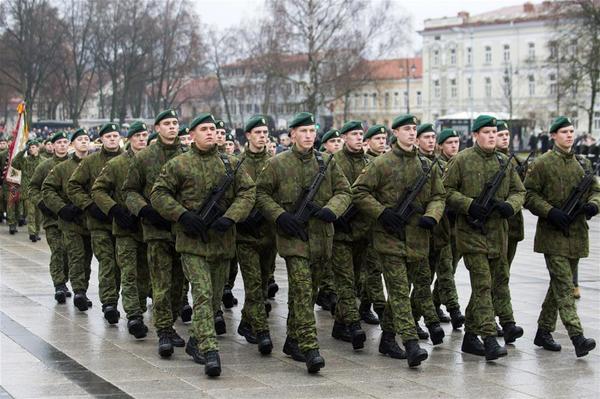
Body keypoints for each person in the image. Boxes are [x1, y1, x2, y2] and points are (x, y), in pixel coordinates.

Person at [151, 112, 255, 377]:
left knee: (214, 298)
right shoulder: (179, 164)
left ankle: (196, 340)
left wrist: (230, 217)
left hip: (222, 242)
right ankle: (210, 350)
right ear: (192, 134)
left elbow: (248, 192)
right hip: (192, 243)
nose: (210, 133)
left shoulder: (231, 164)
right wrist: (182, 215)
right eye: (204, 129)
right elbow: (159, 194)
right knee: (202, 293)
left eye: (212, 128)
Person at [256, 112, 351, 374]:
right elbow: (261, 193)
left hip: (321, 238)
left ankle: (292, 339)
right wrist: (280, 215)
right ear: (292, 135)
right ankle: (310, 347)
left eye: (312, 131)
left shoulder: (327, 162)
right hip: (293, 238)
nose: (309, 136)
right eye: (303, 131)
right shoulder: (277, 163)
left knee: (307, 293)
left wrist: (332, 209)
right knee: (301, 288)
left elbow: (345, 191)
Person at [353, 114, 444, 368]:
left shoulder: (426, 165)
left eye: (415, 129)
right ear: (396, 132)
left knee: (416, 287)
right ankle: (411, 343)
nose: (412, 133)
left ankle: (388, 337)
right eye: (407, 129)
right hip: (389, 238)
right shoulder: (381, 164)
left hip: (418, 237)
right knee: (399, 289)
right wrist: (382, 212)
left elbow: (439, 195)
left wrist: (432, 216)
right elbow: (359, 191)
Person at [444, 115, 525, 361]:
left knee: (489, 286)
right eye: (486, 132)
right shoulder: (461, 160)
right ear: (475, 135)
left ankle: (470, 337)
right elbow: (445, 191)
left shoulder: (504, 162)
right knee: (482, 284)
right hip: (471, 234)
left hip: (497, 234)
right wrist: (469, 205)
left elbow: (519, 191)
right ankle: (490, 338)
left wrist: (509, 206)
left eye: (494, 132)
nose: (492, 136)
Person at [524, 116, 599, 357]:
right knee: (565, 286)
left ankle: (543, 331)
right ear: (553, 136)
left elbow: (595, 189)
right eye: (564, 132)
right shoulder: (542, 163)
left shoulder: (583, 164)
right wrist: (550, 211)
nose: (569, 135)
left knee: (558, 284)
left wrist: (593, 205)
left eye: (571, 131)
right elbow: (528, 194)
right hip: (552, 234)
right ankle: (577, 336)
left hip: (576, 234)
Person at [123, 109, 186, 358]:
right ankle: (163, 330)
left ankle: (170, 322)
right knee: (161, 282)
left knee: (179, 285)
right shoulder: (145, 157)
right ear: (157, 128)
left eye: (175, 123)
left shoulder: (186, 155)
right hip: (156, 230)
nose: (172, 127)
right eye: (167, 124)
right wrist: (145, 211)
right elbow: (130, 190)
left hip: (183, 230)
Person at [91, 121, 151, 339]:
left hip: (149, 227)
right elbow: (98, 190)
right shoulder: (117, 164)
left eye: (145, 135)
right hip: (125, 227)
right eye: (137, 136)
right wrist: (114, 209)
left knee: (145, 273)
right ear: (130, 139)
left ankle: (140, 308)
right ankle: (134, 315)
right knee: (128, 271)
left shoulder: (154, 161)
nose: (142, 139)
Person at [68, 123, 123, 325]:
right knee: (107, 261)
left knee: (121, 264)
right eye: (108, 136)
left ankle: (118, 300)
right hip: (99, 222)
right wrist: (89, 206)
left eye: (115, 135)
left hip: (123, 221)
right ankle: (109, 303)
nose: (112, 139)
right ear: (100, 140)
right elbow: (73, 186)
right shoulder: (91, 162)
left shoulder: (129, 159)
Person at [414, 123, 464, 335]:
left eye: (433, 137)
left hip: (444, 229)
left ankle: (442, 308)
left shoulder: (445, 165)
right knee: (424, 278)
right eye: (427, 137)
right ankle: (423, 316)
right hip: (422, 229)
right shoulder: (419, 164)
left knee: (445, 271)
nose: (430, 141)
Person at [234, 115, 277, 355]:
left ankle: (245, 322)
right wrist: (242, 217)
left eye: (265, 132)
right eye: (258, 132)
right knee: (252, 284)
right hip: (246, 235)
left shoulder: (276, 162)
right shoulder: (237, 163)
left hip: (269, 235)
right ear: (248, 135)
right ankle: (262, 331)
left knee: (263, 283)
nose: (262, 136)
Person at [329, 120, 370, 352]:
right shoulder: (334, 162)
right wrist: (336, 213)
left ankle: (339, 324)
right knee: (345, 280)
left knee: (358, 280)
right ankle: (354, 324)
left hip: (363, 232)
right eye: (353, 134)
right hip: (340, 232)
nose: (357, 138)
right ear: (344, 137)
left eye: (360, 134)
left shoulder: (370, 162)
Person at [42, 129, 94, 312]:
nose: (84, 142)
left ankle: (82, 290)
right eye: (80, 139)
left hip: (92, 220)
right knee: (69, 253)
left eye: (87, 139)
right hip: (64, 220)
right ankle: (67, 287)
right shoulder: (56, 167)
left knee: (87, 257)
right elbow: (40, 188)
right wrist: (56, 207)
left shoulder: (96, 164)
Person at [29, 131, 71, 303]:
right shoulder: (45, 166)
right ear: (52, 146)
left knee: (71, 253)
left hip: (71, 217)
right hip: (52, 218)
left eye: (64, 142)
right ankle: (59, 284)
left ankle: (66, 280)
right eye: (58, 142)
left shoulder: (76, 164)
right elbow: (33, 188)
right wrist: (42, 204)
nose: (62, 145)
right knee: (58, 250)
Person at [432, 128, 465, 329]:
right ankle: (454, 309)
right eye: (449, 142)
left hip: (458, 227)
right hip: (440, 226)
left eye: (456, 142)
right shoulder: (435, 165)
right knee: (444, 270)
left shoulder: (461, 164)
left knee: (449, 269)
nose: (454, 146)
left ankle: (434, 303)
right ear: (441, 146)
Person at [357, 125, 387, 325]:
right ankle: (381, 308)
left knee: (375, 270)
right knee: (371, 270)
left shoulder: (388, 161)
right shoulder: (365, 164)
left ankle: (364, 306)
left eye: (384, 138)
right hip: (362, 226)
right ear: (367, 142)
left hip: (383, 225)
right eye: (377, 138)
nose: (382, 141)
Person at [315, 128, 343, 313]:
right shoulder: (322, 163)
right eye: (333, 142)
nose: (337, 145)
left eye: (339, 141)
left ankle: (329, 293)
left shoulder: (336, 164)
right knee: (326, 263)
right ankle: (327, 292)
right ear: (325, 145)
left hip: (340, 219)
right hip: (322, 222)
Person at [12, 139, 43, 241]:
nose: (31, 149)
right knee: (31, 213)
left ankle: (37, 231)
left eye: (33, 147)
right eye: (29, 148)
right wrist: (22, 151)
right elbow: (14, 163)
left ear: (38, 148)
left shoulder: (43, 161)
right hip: (27, 191)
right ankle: (32, 232)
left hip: (39, 191)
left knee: (38, 214)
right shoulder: (24, 160)